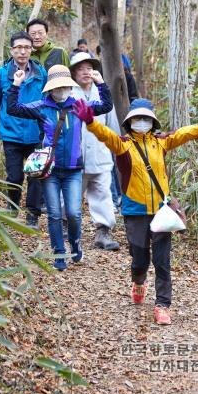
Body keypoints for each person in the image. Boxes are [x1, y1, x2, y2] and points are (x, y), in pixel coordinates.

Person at [72, 97, 198, 324]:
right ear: (130, 121)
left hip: (160, 212)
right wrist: (90, 122)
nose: (142, 122)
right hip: (134, 211)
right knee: (139, 259)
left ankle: (162, 305)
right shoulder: (123, 144)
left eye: (146, 118)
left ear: (152, 121)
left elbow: (189, 132)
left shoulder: (161, 142)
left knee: (162, 260)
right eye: (137, 118)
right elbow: (105, 135)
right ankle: (138, 281)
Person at [7, 64, 113, 271]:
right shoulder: (41, 107)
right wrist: (16, 84)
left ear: (69, 86)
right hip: (50, 170)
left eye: (64, 86)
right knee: (55, 213)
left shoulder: (79, 105)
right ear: (50, 88)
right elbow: (13, 108)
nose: (61, 90)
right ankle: (58, 253)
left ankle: (74, 243)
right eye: (57, 87)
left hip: (74, 169)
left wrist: (100, 83)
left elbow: (105, 105)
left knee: (73, 212)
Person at [0, 31, 47, 228]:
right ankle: (12, 208)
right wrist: (7, 120)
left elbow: (47, 100)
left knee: (35, 175)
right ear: (12, 50)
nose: (22, 52)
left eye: (26, 47)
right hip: (11, 133)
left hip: (35, 133)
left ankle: (33, 214)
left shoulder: (41, 73)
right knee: (14, 176)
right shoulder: (1, 74)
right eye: (18, 48)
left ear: (32, 49)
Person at [69, 52, 120, 251]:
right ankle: (67, 229)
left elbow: (111, 120)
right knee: (70, 196)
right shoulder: (67, 92)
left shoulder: (102, 92)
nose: (85, 72)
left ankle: (103, 231)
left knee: (102, 194)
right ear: (73, 72)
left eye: (88, 68)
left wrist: (117, 144)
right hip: (74, 155)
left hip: (100, 153)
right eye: (80, 69)